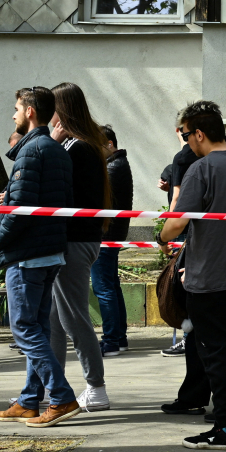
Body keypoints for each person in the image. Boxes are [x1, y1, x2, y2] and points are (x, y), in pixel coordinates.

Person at [159, 100, 226, 450]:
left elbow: (175, 224)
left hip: (209, 274)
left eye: (186, 135)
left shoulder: (201, 169)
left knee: (213, 355)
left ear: (199, 133)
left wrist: (161, 236)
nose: (186, 142)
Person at [0, 86, 79, 427]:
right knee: (38, 327)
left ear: (30, 111)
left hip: (28, 255)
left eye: (16, 108)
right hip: (49, 252)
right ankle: (30, 399)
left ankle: (60, 396)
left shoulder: (32, 152)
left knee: (25, 328)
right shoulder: (56, 150)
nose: (13, 114)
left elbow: (22, 210)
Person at [48, 82, 111, 413]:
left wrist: (52, 147)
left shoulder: (77, 148)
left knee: (72, 316)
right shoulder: (80, 145)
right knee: (56, 318)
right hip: (76, 239)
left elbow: (62, 190)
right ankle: (53, 387)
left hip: (75, 240)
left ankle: (96, 387)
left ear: (62, 111)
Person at [93, 125, 133, 357]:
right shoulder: (117, 163)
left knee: (104, 287)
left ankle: (111, 340)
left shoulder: (113, 167)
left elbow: (98, 198)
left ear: (109, 144)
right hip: (111, 233)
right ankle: (118, 337)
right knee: (111, 285)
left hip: (105, 235)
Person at [159, 122, 198, 358]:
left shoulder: (183, 158)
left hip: (188, 230)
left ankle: (188, 339)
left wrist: (162, 237)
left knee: (185, 284)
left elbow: (176, 202)